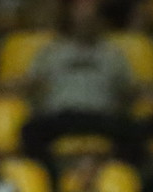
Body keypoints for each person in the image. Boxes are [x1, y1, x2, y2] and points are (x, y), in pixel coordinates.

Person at [22, 0, 139, 164]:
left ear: (99, 20)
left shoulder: (114, 54)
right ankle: (47, 180)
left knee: (133, 132)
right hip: (62, 115)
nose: (86, 22)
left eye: (91, 17)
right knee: (31, 131)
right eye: (81, 17)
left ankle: (118, 179)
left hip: (101, 115)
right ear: (71, 19)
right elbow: (33, 85)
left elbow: (127, 90)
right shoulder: (51, 52)